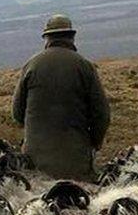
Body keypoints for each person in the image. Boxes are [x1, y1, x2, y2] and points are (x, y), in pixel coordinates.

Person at [12, 14, 110, 183]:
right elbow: (101, 115)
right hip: (76, 162)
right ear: (71, 37)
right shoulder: (84, 66)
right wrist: (94, 144)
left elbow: (17, 113)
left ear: (47, 38)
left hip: (35, 163)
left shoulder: (31, 65)